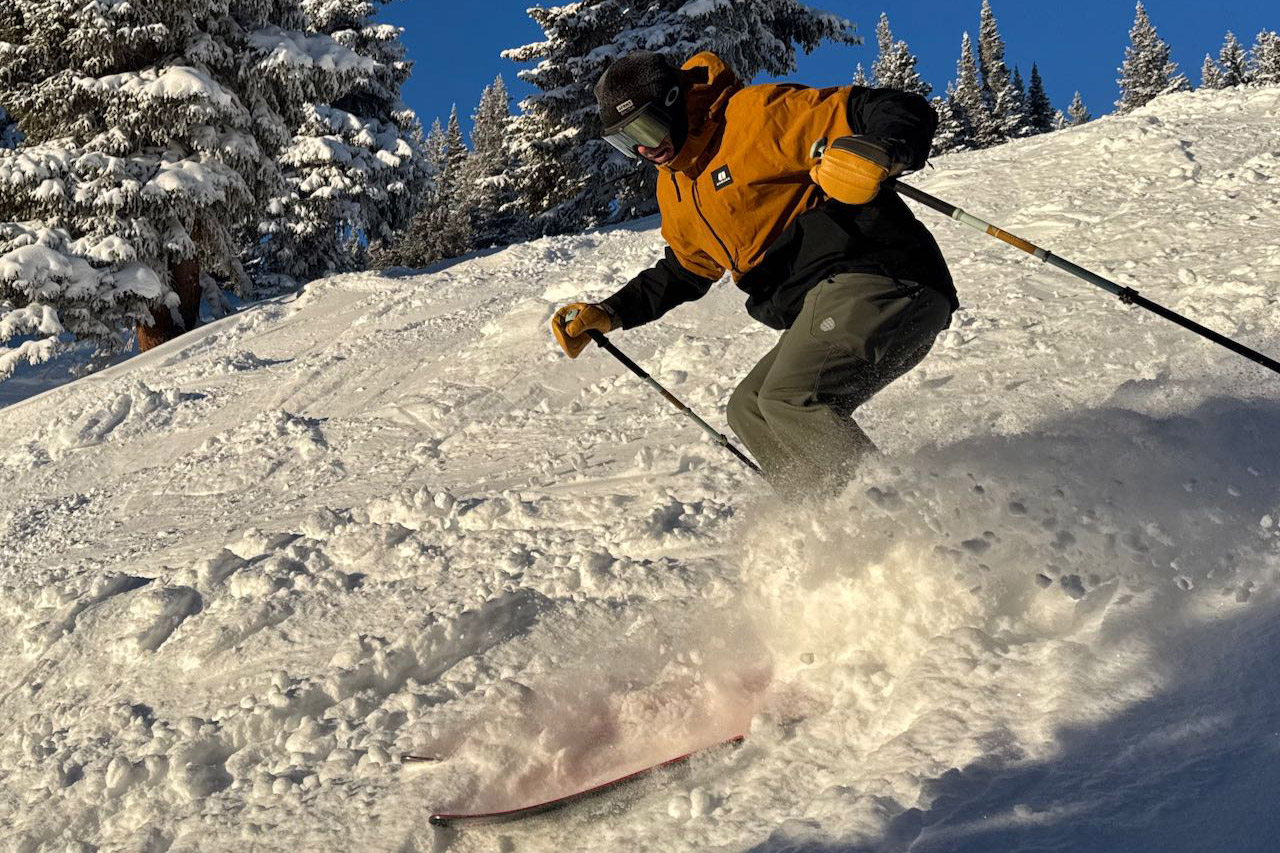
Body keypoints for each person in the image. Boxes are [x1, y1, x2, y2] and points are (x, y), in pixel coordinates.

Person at [552, 50, 958, 498]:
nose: (645, 149)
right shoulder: (676, 185)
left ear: (674, 101)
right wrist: (610, 313)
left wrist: (879, 150)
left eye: (645, 129)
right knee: (749, 410)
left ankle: (898, 522)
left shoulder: (754, 116)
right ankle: (827, 524)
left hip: (881, 274)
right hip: (828, 301)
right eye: (625, 143)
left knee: (790, 399)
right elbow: (687, 268)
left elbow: (896, 109)